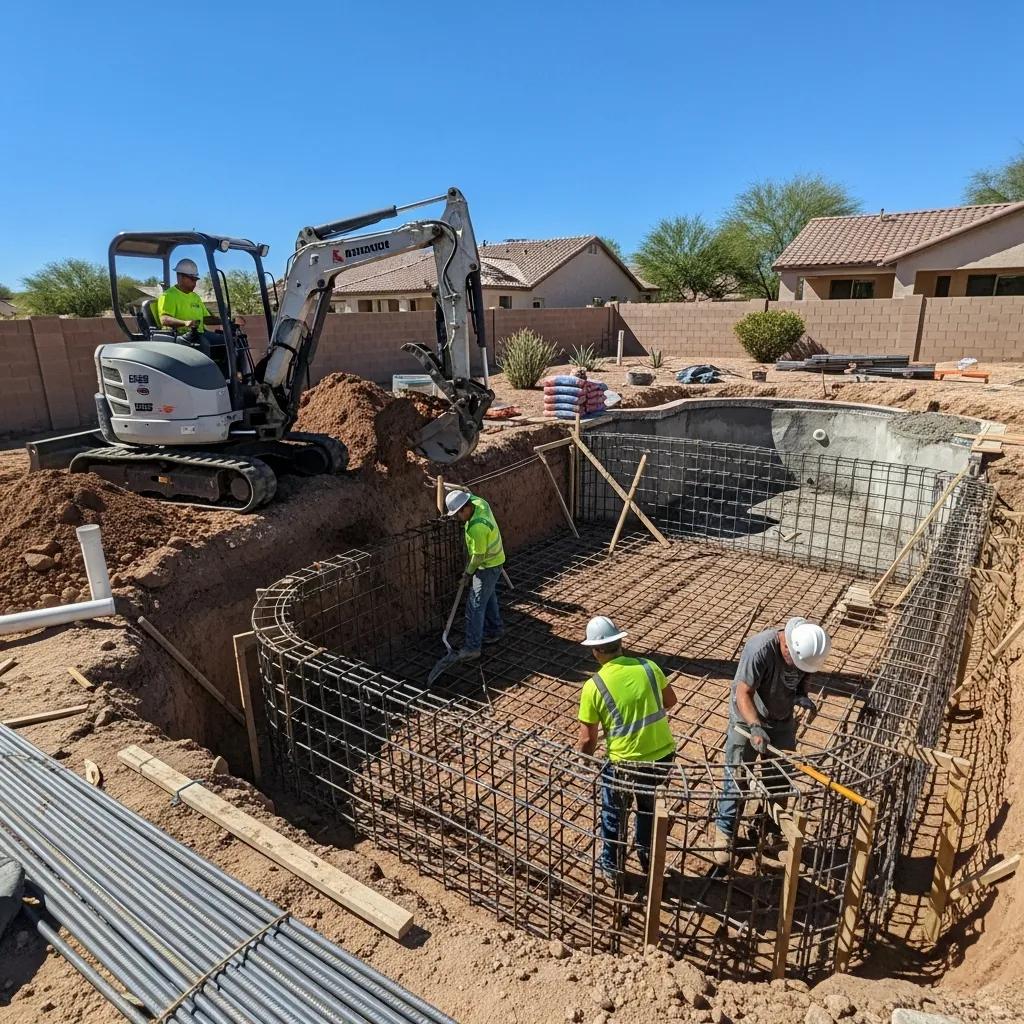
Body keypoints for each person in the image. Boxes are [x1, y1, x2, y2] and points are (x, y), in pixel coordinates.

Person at [712, 616, 830, 866]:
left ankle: (768, 833)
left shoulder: (806, 648)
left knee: (779, 781)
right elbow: (742, 692)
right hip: (747, 718)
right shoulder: (760, 649)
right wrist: (755, 726)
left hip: (781, 719)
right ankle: (725, 832)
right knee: (737, 777)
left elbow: (804, 676)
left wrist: (801, 696)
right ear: (787, 646)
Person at [575, 615, 678, 880]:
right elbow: (670, 701)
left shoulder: (593, 686)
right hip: (663, 756)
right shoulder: (649, 667)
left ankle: (611, 865)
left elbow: (588, 740)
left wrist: (581, 761)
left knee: (613, 814)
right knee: (648, 807)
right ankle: (646, 855)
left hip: (624, 764)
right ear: (620, 642)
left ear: (596, 651)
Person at [445, 489, 505, 660]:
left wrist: (467, 574)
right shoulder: (480, 503)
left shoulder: (476, 527)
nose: (458, 518)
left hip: (487, 566)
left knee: (475, 606)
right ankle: (495, 630)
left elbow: (478, 556)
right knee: (489, 595)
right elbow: (469, 494)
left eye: (458, 514)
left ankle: (472, 647)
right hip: (497, 560)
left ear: (466, 508)